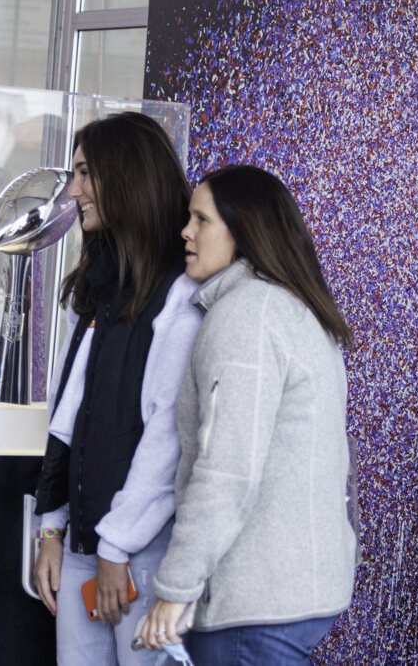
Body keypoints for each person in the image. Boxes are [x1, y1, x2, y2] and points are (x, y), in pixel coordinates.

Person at [139, 165, 357, 664]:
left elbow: (227, 469)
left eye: (201, 220)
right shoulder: (291, 307)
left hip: (254, 604)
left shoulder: (247, 315)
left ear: (242, 231)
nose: (185, 232)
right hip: (294, 594)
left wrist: (175, 586)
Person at [32, 112, 203, 665]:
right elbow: (69, 414)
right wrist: (52, 530)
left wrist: (117, 546)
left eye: (85, 173)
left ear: (125, 176)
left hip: (140, 552)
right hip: (90, 543)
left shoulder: (182, 292)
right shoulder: (102, 283)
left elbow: (167, 436)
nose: (75, 189)